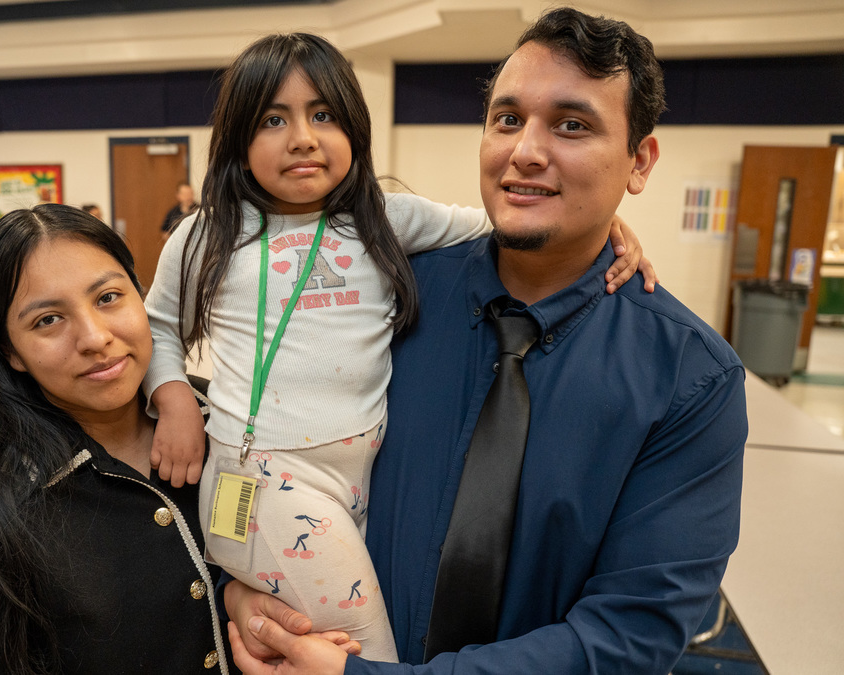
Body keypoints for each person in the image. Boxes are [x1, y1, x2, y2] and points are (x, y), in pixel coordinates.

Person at [226, 8, 748, 675]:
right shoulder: (387, 291)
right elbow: (265, 441)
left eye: (573, 124)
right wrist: (247, 589)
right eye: (507, 119)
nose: (525, 150)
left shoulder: (689, 379)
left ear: (639, 161)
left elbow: (630, 633)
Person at [143, 33, 654, 664]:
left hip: (355, 480)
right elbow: (157, 326)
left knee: (313, 645)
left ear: (354, 129)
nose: (303, 137)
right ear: (238, 142)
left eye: (323, 114)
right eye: (273, 119)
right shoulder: (205, 235)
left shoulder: (383, 218)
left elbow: (501, 222)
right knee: (370, 654)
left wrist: (611, 226)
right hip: (269, 475)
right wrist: (174, 402)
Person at [0, 204, 233, 674]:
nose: (95, 337)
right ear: (11, 353)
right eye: (47, 320)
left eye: (108, 297)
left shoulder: (228, 424)